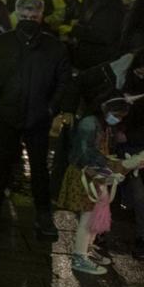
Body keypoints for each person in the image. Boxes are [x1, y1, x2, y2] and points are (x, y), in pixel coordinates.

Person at [0, 0, 70, 237]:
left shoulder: (54, 47)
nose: (30, 20)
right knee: (1, 165)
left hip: (37, 116)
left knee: (39, 168)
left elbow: (63, 81)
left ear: (40, 17)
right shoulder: (0, 43)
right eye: (26, 17)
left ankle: (42, 213)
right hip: (8, 113)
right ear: (18, 16)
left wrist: (50, 108)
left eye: (34, 17)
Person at [55, 99, 133, 275]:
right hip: (85, 173)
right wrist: (109, 168)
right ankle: (79, 256)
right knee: (89, 215)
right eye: (117, 115)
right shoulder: (90, 123)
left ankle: (86, 250)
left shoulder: (102, 124)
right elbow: (85, 153)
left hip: (94, 173)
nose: (118, 119)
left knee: (93, 214)